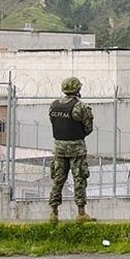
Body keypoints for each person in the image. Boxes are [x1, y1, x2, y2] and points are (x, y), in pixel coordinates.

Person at [48, 77, 95, 224]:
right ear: (77, 90)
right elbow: (88, 128)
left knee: (58, 179)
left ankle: (53, 213)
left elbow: (54, 123)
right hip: (76, 148)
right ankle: (81, 213)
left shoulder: (54, 106)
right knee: (79, 179)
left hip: (59, 148)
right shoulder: (80, 107)